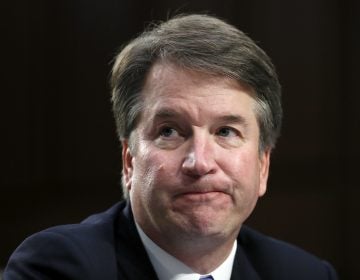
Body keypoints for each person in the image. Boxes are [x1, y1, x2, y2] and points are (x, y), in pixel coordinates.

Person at [4, 14, 338, 280]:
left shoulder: (304, 273)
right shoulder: (57, 269)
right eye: (170, 132)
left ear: (263, 166)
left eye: (225, 131)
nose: (200, 162)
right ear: (129, 161)